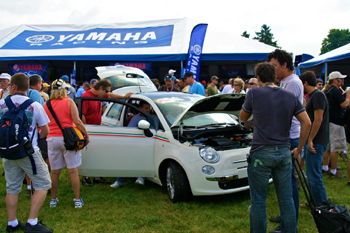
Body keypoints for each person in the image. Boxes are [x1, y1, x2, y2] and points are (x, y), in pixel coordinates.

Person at [240, 62, 311, 233]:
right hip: (284, 152)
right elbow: (307, 122)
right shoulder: (290, 96)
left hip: (261, 153)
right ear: (275, 77)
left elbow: (243, 117)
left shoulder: (254, 92)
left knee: (258, 201)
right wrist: (299, 148)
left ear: (258, 78)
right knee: (286, 200)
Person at [2, 73, 53, 233]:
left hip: (7, 151)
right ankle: (32, 222)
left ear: (13, 86)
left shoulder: (2, 103)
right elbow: (45, 130)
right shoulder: (35, 105)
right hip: (29, 151)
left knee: (12, 187)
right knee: (44, 183)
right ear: (28, 86)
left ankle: (12, 223)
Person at [268, 49, 304, 232]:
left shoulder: (292, 84)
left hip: (289, 137)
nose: (272, 70)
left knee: (288, 184)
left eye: (274, 66)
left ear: (284, 64)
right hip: (285, 136)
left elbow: (285, 112)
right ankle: (286, 216)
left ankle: (289, 223)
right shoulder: (284, 82)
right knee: (284, 182)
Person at [43, 79, 90, 209]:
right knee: (73, 170)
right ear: (64, 89)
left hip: (52, 138)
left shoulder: (46, 104)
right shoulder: (69, 102)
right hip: (69, 138)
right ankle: (77, 199)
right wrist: (86, 134)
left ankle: (53, 199)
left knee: (54, 171)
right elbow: (78, 121)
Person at [81, 79, 132, 185]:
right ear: (100, 88)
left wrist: (124, 97)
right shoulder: (86, 97)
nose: (107, 93)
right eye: (106, 91)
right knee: (86, 154)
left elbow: (110, 96)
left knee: (97, 154)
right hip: (89, 129)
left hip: (97, 129)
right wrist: (86, 130)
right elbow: (82, 115)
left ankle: (97, 176)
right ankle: (85, 178)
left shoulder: (98, 95)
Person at [110, 101, 159, 188]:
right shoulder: (136, 118)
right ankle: (120, 180)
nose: (148, 110)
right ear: (140, 109)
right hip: (138, 143)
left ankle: (141, 176)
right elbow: (130, 132)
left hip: (152, 143)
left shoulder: (154, 117)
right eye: (145, 108)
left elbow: (158, 130)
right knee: (125, 156)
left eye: (149, 108)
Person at [300, 71, 329, 206]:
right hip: (313, 140)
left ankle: (322, 205)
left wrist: (310, 138)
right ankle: (313, 202)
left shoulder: (317, 96)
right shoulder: (313, 96)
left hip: (317, 140)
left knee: (315, 176)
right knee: (311, 174)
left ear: (306, 83)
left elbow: (318, 119)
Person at [322, 71, 350, 179]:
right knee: (335, 147)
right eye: (340, 79)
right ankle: (333, 171)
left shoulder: (329, 90)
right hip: (336, 122)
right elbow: (344, 105)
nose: (342, 80)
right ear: (335, 80)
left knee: (328, 146)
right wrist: (348, 96)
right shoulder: (336, 91)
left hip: (329, 121)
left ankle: (325, 167)